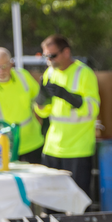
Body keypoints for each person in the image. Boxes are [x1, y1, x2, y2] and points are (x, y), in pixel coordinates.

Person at [34, 35, 99, 196]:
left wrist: (68, 96)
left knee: (78, 200)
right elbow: (43, 112)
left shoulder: (84, 73)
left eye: (53, 56)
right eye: (46, 56)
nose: (49, 60)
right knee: (51, 199)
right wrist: (41, 101)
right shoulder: (49, 73)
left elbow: (93, 109)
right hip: (52, 147)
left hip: (78, 149)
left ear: (66, 52)